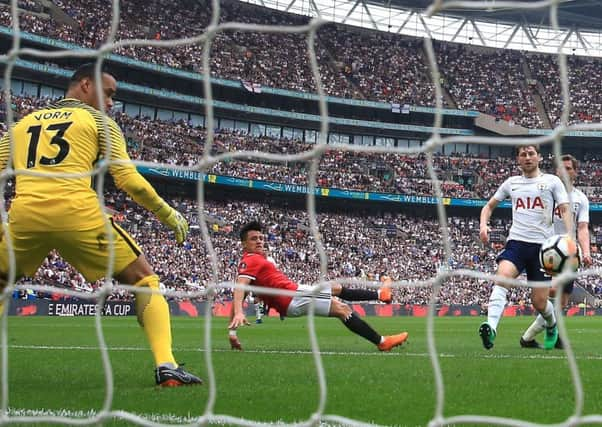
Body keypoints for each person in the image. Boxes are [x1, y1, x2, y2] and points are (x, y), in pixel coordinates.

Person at [0, 63, 202, 387]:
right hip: (77, 213)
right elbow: (129, 181)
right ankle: (166, 365)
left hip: (26, 215)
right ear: (85, 85)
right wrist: (168, 213)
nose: (110, 104)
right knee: (143, 279)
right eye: (108, 94)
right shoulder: (97, 121)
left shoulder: (23, 124)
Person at [227, 221, 408, 351]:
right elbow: (240, 287)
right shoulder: (250, 260)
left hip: (293, 295)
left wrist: (232, 334)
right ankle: (382, 340)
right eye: (253, 239)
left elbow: (241, 292)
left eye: (260, 237)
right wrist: (240, 312)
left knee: (335, 288)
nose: (259, 241)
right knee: (342, 309)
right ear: (244, 244)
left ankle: (381, 295)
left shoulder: (255, 260)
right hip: (292, 297)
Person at [479, 145, 572, 350]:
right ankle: (491, 327)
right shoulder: (511, 183)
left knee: (539, 303)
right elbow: (488, 206)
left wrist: (569, 235)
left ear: (539, 157)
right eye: (523, 154)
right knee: (501, 277)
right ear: (518, 160)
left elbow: (565, 208)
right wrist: (483, 225)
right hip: (517, 243)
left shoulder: (551, 181)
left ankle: (551, 325)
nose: (527, 157)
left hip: (543, 249)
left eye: (531, 154)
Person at [520, 154, 592, 349]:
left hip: (570, 254)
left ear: (575, 172)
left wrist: (586, 253)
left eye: (569, 168)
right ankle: (549, 334)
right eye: (562, 168)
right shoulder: (545, 194)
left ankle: (528, 338)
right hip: (547, 252)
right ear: (556, 171)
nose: (565, 171)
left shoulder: (580, 199)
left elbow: (583, 228)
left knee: (560, 303)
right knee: (551, 291)